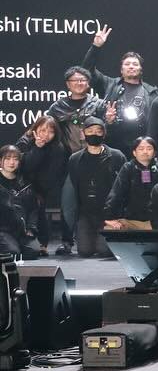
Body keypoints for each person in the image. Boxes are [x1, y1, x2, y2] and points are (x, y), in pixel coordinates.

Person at [82, 25, 157, 149]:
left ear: (141, 69)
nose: (131, 66)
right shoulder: (109, 84)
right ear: (121, 70)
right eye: (127, 64)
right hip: (111, 143)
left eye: (135, 64)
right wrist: (96, 47)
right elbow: (86, 71)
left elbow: (155, 124)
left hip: (141, 146)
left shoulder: (151, 92)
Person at [67, 115, 125, 257]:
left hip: (109, 213)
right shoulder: (75, 159)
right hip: (86, 214)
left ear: (104, 134)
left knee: (104, 251)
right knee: (84, 251)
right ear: (83, 134)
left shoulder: (117, 156)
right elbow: (74, 187)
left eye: (98, 131)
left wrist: (119, 216)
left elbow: (124, 186)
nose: (94, 134)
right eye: (90, 131)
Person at [16, 115, 69, 253]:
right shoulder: (25, 141)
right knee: (33, 201)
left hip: (48, 187)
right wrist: (37, 148)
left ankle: (53, 243)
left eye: (51, 132)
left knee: (53, 201)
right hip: (24, 185)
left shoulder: (58, 147)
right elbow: (24, 168)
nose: (46, 135)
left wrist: (44, 193)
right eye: (43, 130)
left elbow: (55, 173)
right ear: (35, 129)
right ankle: (29, 239)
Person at [103, 137, 158, 230]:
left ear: (154, 153)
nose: (145, 152)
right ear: (134, 152)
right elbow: (117, 192)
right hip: (130, 219)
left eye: (149, 148)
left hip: (155, 220)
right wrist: (108, 217)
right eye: (141, 149)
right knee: (109, 228)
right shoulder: (128, 167)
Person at [49, 65, 105, 154]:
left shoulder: (99, 104)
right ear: (68, 84)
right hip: (66, 156)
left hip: (95, 154)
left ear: (88, 83)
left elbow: (108, 131)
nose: (79, 83)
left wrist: (110, 120)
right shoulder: (58, 107)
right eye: (74, 80)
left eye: (82, 80)